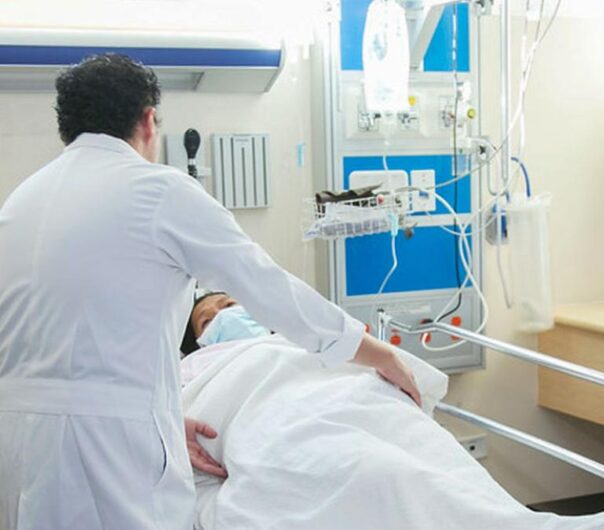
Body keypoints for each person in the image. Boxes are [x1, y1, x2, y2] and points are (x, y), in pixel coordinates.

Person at [0, 53, 419, 530]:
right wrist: (375, 351)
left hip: (19, 442)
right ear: (148, 120)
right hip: (109, 450)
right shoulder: (158, 190)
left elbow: (56, 352)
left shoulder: (21, 200)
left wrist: (162, 419)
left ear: (67, 127)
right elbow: (266, 285)